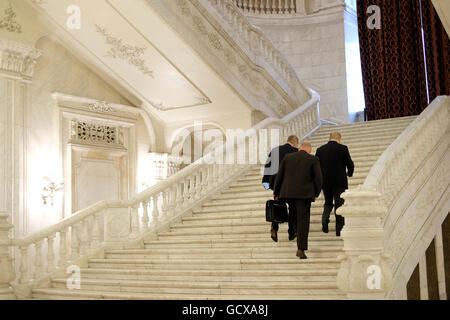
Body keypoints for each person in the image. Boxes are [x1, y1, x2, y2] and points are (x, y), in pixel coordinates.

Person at [273, 142, 322, 259]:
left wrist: (276, 191)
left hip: (288, 193)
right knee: (303, 221)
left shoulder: (288, 157)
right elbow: (318, 178)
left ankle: (294, 231)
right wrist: (316, 193)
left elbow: (280, 175)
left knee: (293, 215)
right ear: (309, 150)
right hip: (304, 195)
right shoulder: (313, 159)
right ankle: (301, 248)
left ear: (299, 149)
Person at [315, 131, 354, 236]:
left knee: (328, 202)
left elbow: (316, 167)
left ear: (329, 138)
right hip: (339, 182)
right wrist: (349, 173)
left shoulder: (320, 150)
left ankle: (325, 219)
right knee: (339, 204)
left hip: (325, 182)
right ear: (339, 139)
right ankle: (339, 230)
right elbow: (349, 163)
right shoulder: (343, 148)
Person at [262, 135, 299, 242]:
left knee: (278, 205)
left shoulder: (275, 150)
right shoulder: (296, 151)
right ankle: (291, 232)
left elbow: (267, 167)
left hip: (276, 184)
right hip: (291, 185)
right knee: (292, 208)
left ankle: (274, 227)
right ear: (295, 142)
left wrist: (266, 182)